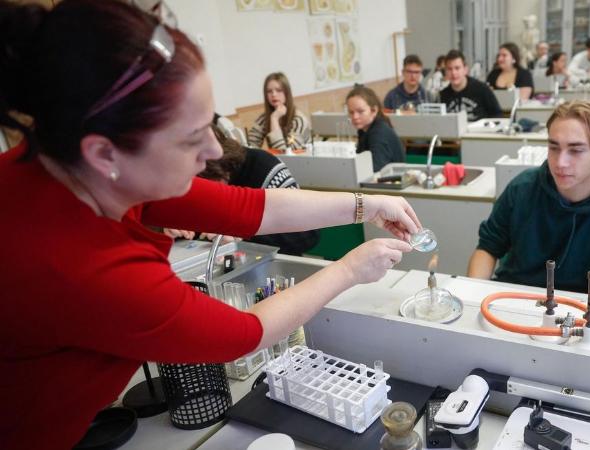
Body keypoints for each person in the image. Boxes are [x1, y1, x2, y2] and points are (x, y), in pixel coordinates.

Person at [0, 2, 423, 449]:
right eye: (190, 137)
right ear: (104, 153)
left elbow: (248, 208)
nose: (214, 151)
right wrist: (350, 269)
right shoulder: (82, 266)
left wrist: (367, 204)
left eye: (210, 125)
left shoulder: (75, 166)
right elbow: (244, 333)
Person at [467, 101, 590, 298]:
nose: (560, 163)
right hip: (513, 297)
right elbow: (487, 247)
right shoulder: (522, 188)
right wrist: (475, 296)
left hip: (582, 313)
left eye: (576, 150)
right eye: (554, 148)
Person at [165, 123, 321, 255]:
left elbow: (307, 234)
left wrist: (242, 236)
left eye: (206, 185)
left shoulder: (262, 167)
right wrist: (177, 230)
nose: (203, 194)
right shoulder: (185, 176)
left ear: (221, 166)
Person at [247, 72, 311, 152]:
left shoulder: (299, 121)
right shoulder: (264, 118)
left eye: (279, 90)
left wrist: (274, 119)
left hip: (300, 162)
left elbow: (285, 153)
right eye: (269, 91)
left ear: (287, 93)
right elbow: (250, 146)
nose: (273, 94)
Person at [347, 85, 405, 171]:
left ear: (374, 110)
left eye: (360, 111)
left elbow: (376, 169)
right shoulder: (363, 130)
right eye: (351, 112)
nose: (355, 117)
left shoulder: (379, 133)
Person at [440, 49, 502, 122]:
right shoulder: (443, 95)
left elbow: (497, 115)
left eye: (457, 68)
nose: (453, 73)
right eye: (449, 69)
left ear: (465, 69)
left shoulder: (482, 90)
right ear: (445, 72)